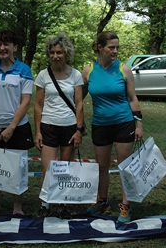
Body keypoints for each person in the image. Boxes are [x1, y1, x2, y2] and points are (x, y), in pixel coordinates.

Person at [82, 31, 143, 224]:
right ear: (100, 47)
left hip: (124, 123)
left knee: (124, 167)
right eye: (111, 47)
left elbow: (132, 97)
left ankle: (126, 205)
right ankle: (102, 200)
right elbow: (79, 98)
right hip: (100, 124)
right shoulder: (88, 70)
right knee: (102, 167)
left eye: (117, 47)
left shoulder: (124, 69)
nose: (115, 51)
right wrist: (77, 121)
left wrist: (139, 123)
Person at [0, 30, 34, 218]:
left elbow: (26, 101)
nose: (2, 48)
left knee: (16, 167)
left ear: (15, 47)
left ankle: (17, 206)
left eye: (7, 44)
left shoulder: (24, 70)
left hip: (17, 128)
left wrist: (12, 127)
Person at [34, 35, 84, 219]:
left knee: (64, 169)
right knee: (48, 169)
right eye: (52, 52)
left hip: (69, 127)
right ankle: (45, 204)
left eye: (59, 52)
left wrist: (79, 130)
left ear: (66, 53)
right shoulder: (43, 75)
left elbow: (79, 104)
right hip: (48, 126)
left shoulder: (76, 75)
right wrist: (38, 131)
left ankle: (62, 203)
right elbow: (38, 105)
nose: (55, 56)